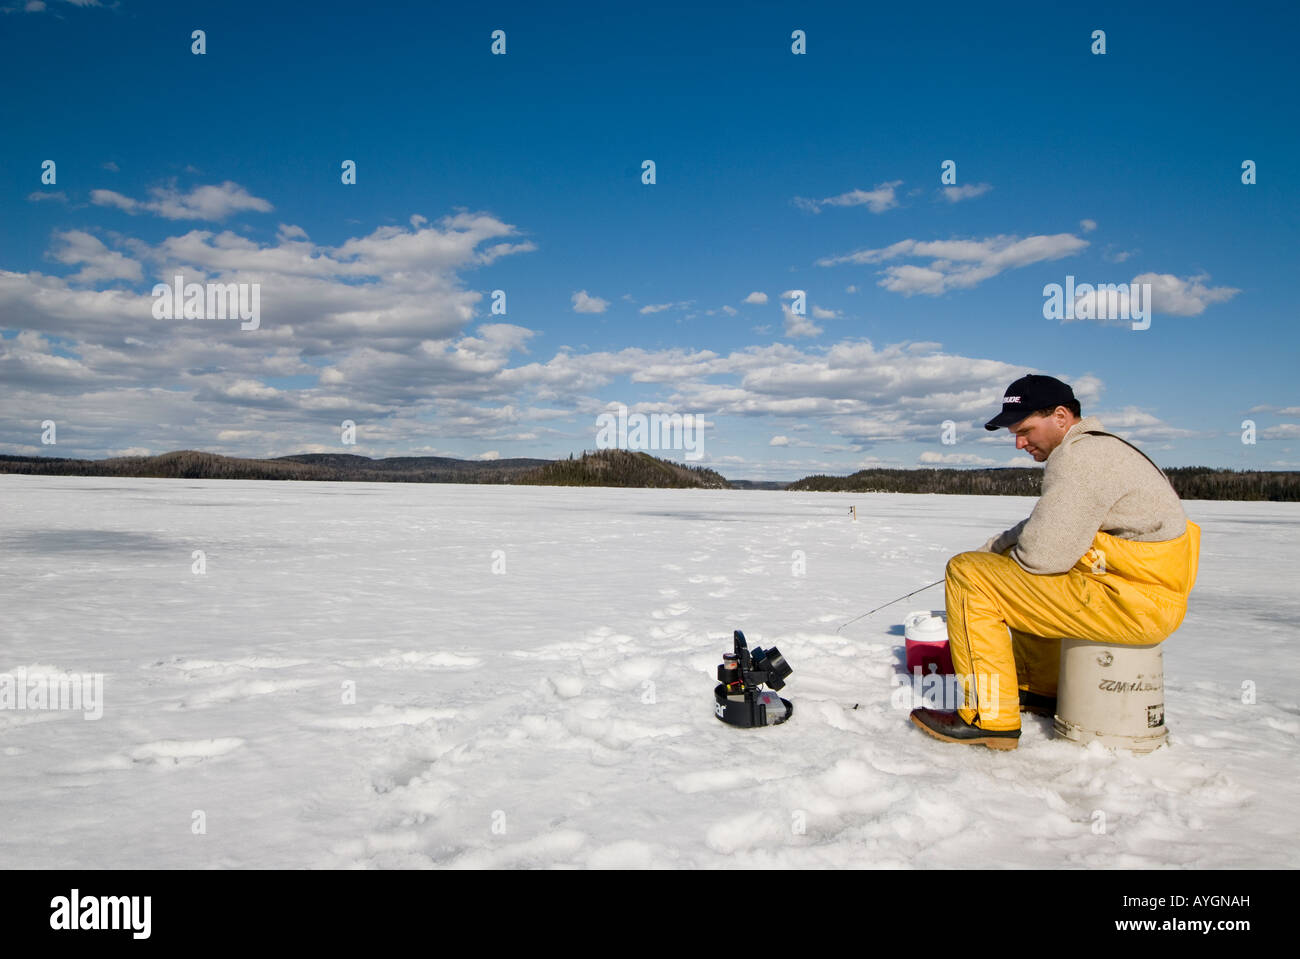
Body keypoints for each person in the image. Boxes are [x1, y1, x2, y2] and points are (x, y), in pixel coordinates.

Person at [910, 374, 1201, 749]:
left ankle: (988, 718)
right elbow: (1045, 527)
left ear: (1061, 417)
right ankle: (1039, 690)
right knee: (1013, 577)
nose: (1019, 443)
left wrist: (994, 561)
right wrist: (999, 547)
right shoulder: (1097, 451)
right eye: (1014, 433)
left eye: (1026, 430)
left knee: (970, 574)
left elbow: (1042, 557)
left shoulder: (1081, 459)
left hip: (1132, 603)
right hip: (1137, 595)